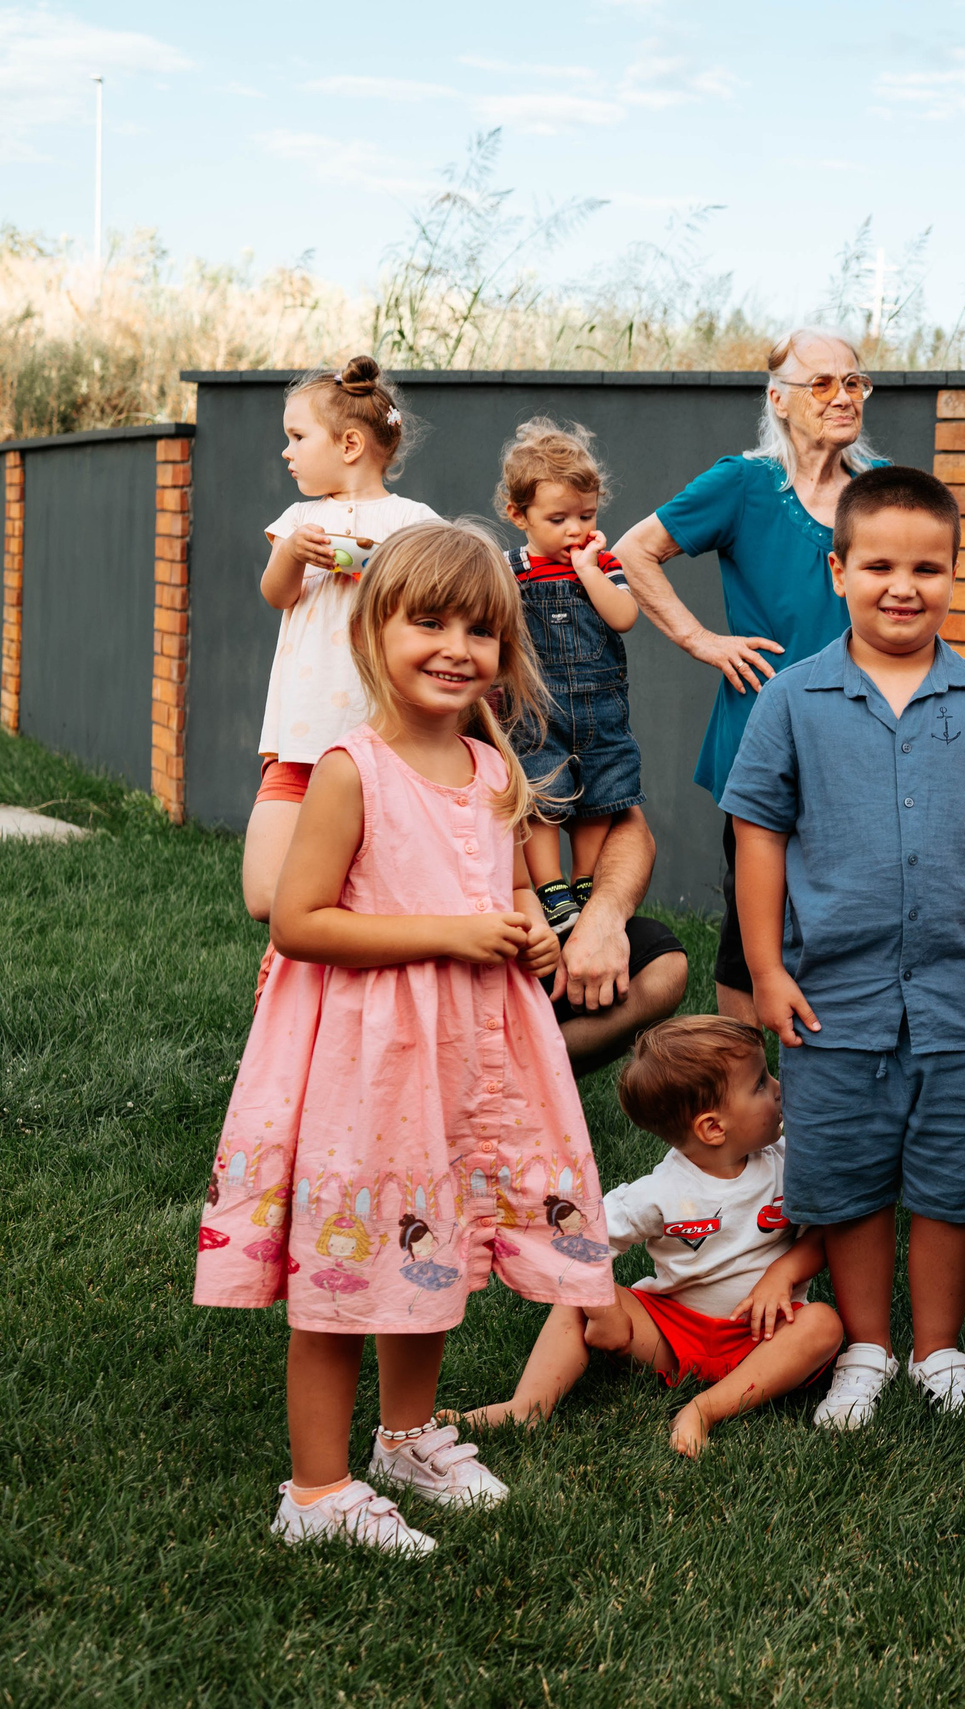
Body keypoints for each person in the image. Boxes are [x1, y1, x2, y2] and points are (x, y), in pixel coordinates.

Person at [195, 521, 611, 1557]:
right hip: (367, 1065)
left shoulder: (488, 769)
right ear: (377, 629)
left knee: (429, 1247)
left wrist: (532, 936)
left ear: (504, 654)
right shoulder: (351, 769)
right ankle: (318, 1486)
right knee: (345, 1272)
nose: (453, 646)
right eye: (428, 620)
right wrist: (452, 932)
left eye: (478, 629)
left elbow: (506, 883)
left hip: (459, 1060)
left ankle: (407, 1434)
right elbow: (300, 919)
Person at [720, 466, 965, 1434]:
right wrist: (767, 967)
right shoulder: (791, 699)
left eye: (928, 568)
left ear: (954, 575)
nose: (904, 586)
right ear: (839, 568)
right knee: (849, 1168)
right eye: (880, 566)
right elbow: (758, 833)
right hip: (834, 989)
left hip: (960, 987)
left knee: (950, 1171)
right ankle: (865, 1343)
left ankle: (938, 1345)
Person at [612, 328, 885, 1025]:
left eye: (852, 381)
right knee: (750, 922)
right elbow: (635, 551)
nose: (842, 396)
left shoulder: (880, 497)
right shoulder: (743, 483)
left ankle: (829, 1078)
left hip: (865, 737)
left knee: (852, 916)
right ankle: (742, 1098)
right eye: (821, 383)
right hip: (764, 736)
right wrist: (701, 639)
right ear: (779, 399)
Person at [461, 1018, 842, 1457]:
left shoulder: (788, 1162)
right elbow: (577, 1243)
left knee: (823, 1324)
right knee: (576, 1303)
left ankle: (705, 1409)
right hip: (672, 1332)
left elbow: (826, 1230)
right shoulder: (660, 1192)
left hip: (763, 1334)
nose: (778, 1087)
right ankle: (527, 1406)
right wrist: (602, 1309)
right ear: (712, 1128)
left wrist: (784, 1272)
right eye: (760, 1083)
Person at [243, 356, 439, 925]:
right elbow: (276, 594)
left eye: (298, 437)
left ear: (349, 444)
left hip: (385, 737)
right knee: (267, 895)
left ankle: (307, 993)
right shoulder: (299, 518)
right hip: (301, 734)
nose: (287, 451)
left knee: (358, 889)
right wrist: (289, 553)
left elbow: (436, 600)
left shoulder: (416, 522)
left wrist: (376, 565)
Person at [495, 418, 643, 937]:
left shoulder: (602, 563)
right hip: (534, 707)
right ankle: (550, 885)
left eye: (587, 515)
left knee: (602, 791)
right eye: (558, 519)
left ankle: (585, 880)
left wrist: (589, 571)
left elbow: (623, 617)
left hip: (600, 707)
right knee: (543, 796)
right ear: (519, 515)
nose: (576, 529)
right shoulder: (510, 568)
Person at [543, 806, 690, 1077]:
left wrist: (601, 919)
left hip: (523, 938)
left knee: (662, 966)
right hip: (457, 949)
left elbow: (631, 826)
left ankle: (529, 1073)